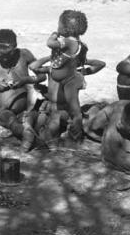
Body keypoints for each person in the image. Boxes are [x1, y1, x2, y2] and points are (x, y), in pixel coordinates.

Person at [30, 10, 105, 141]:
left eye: (58, 25)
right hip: (49, 108)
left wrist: (83, 64)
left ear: (65, 28)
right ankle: (48, 136)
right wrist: (51, 57)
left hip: (63, 112)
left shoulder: (71, 67)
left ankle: (71, 137)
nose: (57, 28)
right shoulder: (53, 69)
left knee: (55, 121)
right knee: (39, 120)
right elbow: (33, 66)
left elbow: (101, 64)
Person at [0, 29, 46, 151]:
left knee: (32, 117)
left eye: (9, 54)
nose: (5, 58)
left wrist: (25, 80)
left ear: (15, 47)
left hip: (27, 106)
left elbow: (42, 76)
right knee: (6, 117)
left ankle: (27, 131)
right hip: (2, 111)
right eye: (1, 54)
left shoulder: (24, 55)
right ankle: (26, 133)